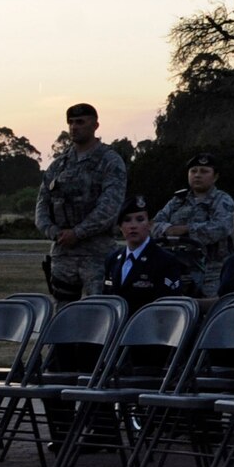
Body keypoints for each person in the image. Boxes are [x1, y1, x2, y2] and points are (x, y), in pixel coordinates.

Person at [34, 103, 127, 302]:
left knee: (100, 313)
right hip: (63, 254)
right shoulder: (59, 164)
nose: (74, 127)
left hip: (97, 254)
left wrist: (78, 233)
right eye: (71, 123)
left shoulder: (110, 161)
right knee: (63, 315)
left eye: (80, 122)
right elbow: (42, 204)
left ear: (95, 125)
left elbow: (109, 207)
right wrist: (53, 232)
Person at [152, 152, 234, 297]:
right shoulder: (177, 201)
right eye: (193, 171)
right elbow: (154, 224)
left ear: (215, 176)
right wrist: (168, 229)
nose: (197, 175)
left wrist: (186, 230)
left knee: (211, 311)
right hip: (178, 271)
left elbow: (220, 228)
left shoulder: (223, 200)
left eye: (204, 171)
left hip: (213, 272)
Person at [102, 194, 194, 312]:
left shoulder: (164, 261)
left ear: (150, 224)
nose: (133, 226)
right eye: (127, 220)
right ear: (120, 226)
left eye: (140, 219)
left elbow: (168, 308)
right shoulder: (113, 259)